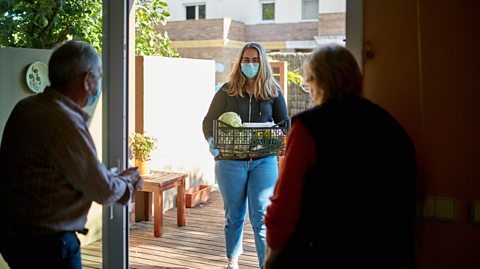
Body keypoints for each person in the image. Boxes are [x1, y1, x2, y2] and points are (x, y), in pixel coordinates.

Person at [264, 44, 416, 269]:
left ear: (317, 81)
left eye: (309, 81)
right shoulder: (389, 126)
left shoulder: (308, 127)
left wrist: (271, 258)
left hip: (323, 252)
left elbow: (285, 204)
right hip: (386, 252)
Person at [0, 40, 143, 269]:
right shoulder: (64, 123)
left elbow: (66, 172)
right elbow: (102, 190)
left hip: (15, 237)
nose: (99, 83)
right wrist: (128, 183)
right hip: (47, 247)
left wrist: (113, 178)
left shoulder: (26, 107)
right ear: (87, 80)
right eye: (99, 76)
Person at [202, 42, 289, 269]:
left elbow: (285, 124)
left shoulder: (273, 91)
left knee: (261, 217)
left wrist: (277, 135)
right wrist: (212, 140)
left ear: (263, 63)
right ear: (240, 62)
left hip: (264, 162)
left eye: (255, 60)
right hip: (230, 162)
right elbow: (208, 121)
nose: (250, 65)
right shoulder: (226, 90)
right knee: (234, 215)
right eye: (246, 60)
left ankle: (265, 265)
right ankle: (233, 262)